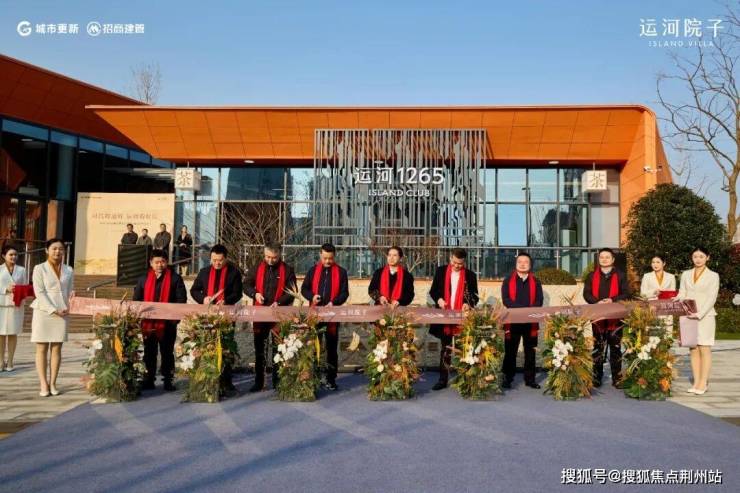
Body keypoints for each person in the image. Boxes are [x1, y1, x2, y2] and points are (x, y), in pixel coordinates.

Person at [190, 244, 243, 393]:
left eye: (220, 260)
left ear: (226, 259)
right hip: (207, 317)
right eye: (214, 260)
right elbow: (194, 290)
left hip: (226, 316)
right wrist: (203, 298)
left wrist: (226, 300)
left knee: (226, 348)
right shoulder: (204, 272)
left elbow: (238, 293)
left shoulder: (234, 273)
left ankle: (226, 381)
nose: (217, 263)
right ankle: (207, 378)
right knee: (207, 346)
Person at [243, 243, 297, 392]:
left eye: (274, 257)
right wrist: (255, 294)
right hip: (260, 314)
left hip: (278, 314)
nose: (270, 260)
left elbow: (292, 292)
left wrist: (279, 302)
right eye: (267, 257)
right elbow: (246, 285)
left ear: (280, 255)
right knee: (260, 348)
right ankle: (259, 381)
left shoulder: (288, 270)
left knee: (278, 348)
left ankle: (278, 380)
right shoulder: (256, 268)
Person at [133, 249, 187, 391]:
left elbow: (181, 300)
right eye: (156, 262)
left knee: (167, 352)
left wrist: (174, 320)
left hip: (168, 324)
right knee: (149, 352)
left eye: (162, 262)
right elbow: (136, 300)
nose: (159, 265)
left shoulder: (175, 278)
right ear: (151, 263)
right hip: (148, 323)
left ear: (167, 262)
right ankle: (149, 379)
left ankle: (168, 380)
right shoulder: (143, 278)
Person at [428, 248, 479, 391]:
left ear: (464, 262)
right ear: (451, 258)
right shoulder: (441, 271)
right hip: (445, 317)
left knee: (465, 348)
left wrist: (467, 303)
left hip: (462, 318)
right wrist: (439, 300)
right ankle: (442, 379)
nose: (457, 265)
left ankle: (466, 380)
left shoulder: (470, 275)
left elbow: (475, 296)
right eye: (455, 262)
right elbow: (433, 291)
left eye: (460, 264)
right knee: (445, 349)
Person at [300, 243, 349, 391]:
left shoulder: (341, 272)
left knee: (331, 349)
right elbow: (304, 289)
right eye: (325, 258)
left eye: (330, 258)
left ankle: (331, 379)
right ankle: (314, 377)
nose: (327, 261)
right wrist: (312, 296)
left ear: (335, 256)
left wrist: (334, 302)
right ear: (320, 255)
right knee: (314, 348)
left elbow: (344, 293)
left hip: (332, 316)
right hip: (315, 315)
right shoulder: (312, 270)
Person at [29, 238, 74, 397]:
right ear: (47, 250)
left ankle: (53, 383)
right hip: (44, 312)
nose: (57, 251)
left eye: (60, 249)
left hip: (63, 312)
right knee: (41, 348)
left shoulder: (69, 270)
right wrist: (53, 309)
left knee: (57, 348)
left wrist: (70, 304)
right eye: (54, 248)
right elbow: (39, 292)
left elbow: (70, 291)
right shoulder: (39, 268)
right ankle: (43, 383)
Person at [583, 248, 631, 388]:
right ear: (598, 259)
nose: (604, 259)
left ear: (613, 260)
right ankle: (596, 377)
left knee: (615, 348)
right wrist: (597, 302)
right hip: (597, 317)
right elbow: (586, 293)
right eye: (601, 257)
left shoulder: (621, 275)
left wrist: (612, 300)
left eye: (607, 257)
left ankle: (617, 378)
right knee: (598, 347)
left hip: (615, 318)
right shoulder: (591, 276)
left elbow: (627, 294)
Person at [676, 247, 720, 396]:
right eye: (695, 256)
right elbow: (682, 292)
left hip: (705, 316)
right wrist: (677, 298)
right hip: (688, 315)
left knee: (704, 348)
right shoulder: (686, 274)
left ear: (708, 257)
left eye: (701, 256)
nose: (698, 259)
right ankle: (696, 382)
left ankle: (703, 382)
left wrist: (699, 314)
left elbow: (712, 297)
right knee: (693, 348)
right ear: (692, 258)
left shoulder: (713, 276)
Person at [501, 252, 544, 389]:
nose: (523, 264)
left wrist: (528, 312)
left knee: (530, 352)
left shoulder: (536, 281)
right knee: (510, 352)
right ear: (516, 264)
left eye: (526, 262)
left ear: (530, 265)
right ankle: (507, 378)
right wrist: (522, 311)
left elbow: (539, 300)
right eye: (520, 262)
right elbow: (506, 300)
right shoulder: (508, 280)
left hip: (530, 322)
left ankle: (530, 379)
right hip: (512, 322)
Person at [0, 246, 28, 371]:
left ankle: (10, 361)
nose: (14, 257)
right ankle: (1, 361)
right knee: (0, 335)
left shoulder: (22, 270)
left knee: (12, 333)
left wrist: (20, 290)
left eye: (15, 254)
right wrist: (5, 289)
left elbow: (25, 286)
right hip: (1, 305)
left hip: (16, 305)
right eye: (11, 254)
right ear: (3, 256)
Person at [640, 255, 676, 334]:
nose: (655, 264)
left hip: (666, 309)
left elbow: (672, 294)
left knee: (666, 335)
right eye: (653, 262)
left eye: (658, 262)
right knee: (652, 335)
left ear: (664, 263)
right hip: (651, 308)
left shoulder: (671, 277)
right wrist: (653, 292)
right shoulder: (647, 276)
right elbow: (642, 294)